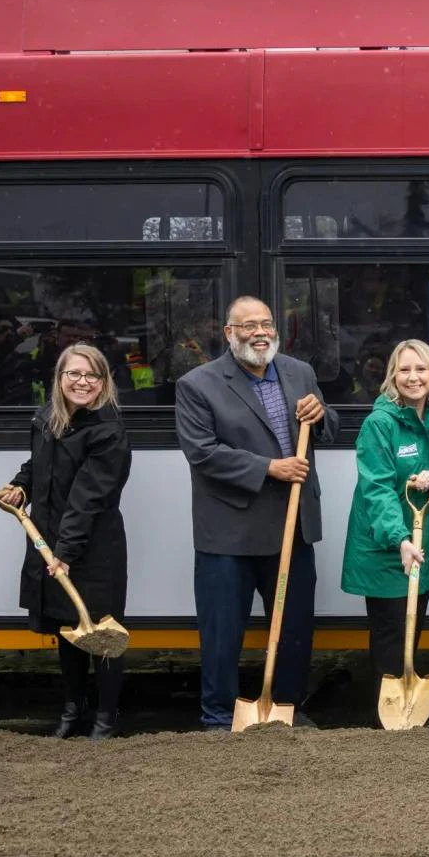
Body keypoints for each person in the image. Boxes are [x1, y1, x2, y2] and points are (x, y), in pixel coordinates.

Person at [174, 296, 335, 730]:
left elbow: (328, 425)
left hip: (293, 526)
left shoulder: (300, 372)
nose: (259, 332)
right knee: (223, 633)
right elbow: (202, 454)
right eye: (248, 325)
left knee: (294, 629)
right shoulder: (197, 384)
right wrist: (269, 467)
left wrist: (321, 415)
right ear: (229, 333)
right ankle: (219, 716)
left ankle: (287, 708)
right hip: (230, 533)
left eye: (266, 323)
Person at [0, 346, 132, 739]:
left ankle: (106, 718)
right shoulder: (46, 420)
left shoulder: (108, 431)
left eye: (92, 376)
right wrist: (20, 486)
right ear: (59, 379)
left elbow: (88, 499)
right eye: (74, 374)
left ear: (104, 383)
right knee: (66, 631)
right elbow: (36, 464)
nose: (82, 382)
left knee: (103, 634)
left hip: (93, 547)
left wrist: (66, 553)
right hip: (51, 540)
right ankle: (73, 711)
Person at [342, 340, 429, 697]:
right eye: (404, 370)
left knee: (413, 628)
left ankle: (406, 704)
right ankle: (388, 717)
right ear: (392, 376)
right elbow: (377, 488)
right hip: (385, 547)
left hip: (423, 543)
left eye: (421, 369)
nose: (413, 377)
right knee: (392, 633)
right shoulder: (379, 424)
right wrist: (399, 539)